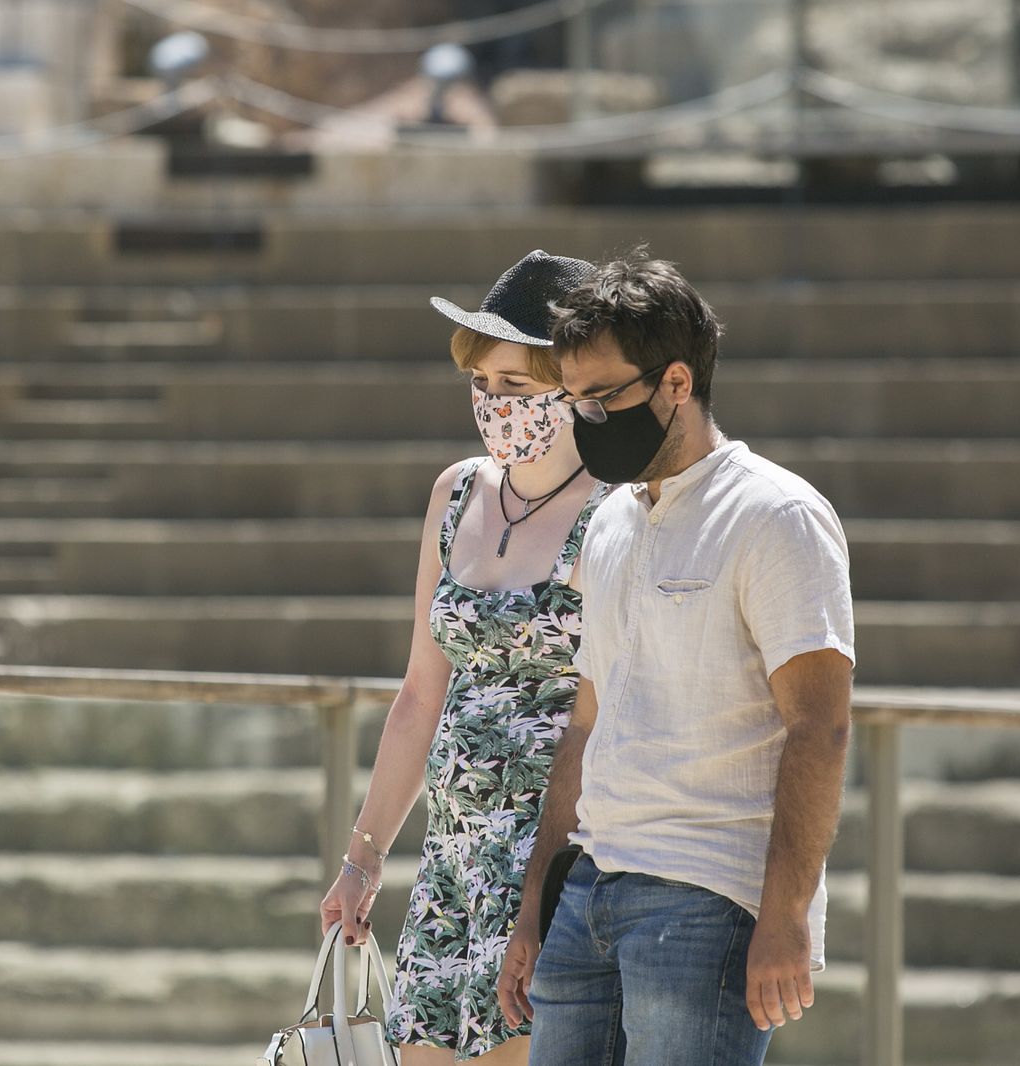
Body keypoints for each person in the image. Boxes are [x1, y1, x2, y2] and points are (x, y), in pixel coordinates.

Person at [497, 251, 857, 1066]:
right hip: (588, 890)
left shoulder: (777, 515)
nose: (588, 419)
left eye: (606, 396)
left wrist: (787, 913)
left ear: (677, 383)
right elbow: (586, 725)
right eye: (575, 400)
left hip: (707, 900)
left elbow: (820, 727)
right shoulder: (610, 522)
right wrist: (534, 906)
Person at [319, 249, 609, 1065]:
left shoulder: (616, 514)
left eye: (516, 386)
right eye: (481, 384)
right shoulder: (455, 494)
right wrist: (363, 858)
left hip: (551, 869)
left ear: (568, 385)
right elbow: (421, 691)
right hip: (454, 864)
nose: (493, 405)